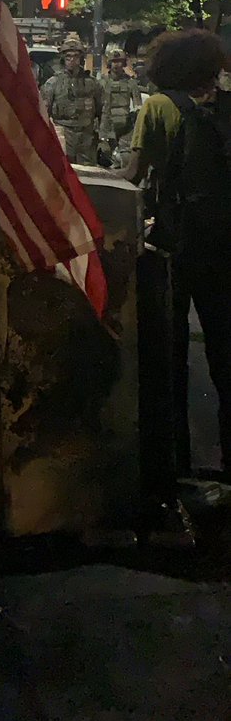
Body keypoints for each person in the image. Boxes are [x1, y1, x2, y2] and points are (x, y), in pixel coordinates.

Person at [125, 29, 231, 479]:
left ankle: (174, 465)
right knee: (225, 352)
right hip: (222, 243)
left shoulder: (158, 107)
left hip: (174, 244)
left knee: (169, 357)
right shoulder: (226, 106)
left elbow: (134, 173)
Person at [41, 33, 103, 165]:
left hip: (86, 136)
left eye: (76, 56)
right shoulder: (53, 83)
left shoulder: (92, 83)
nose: (72, 60)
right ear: (63, 58)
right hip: (63, 133)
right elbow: (44, 113)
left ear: (81, 58)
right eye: (68, 56)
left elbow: (102, 110)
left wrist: (104, 137)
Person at [99, 48, 143, 168]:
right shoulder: (101, 82)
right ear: (109, 63)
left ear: (123, 63)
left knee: (125, 158)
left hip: (125, 126)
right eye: (113, 61)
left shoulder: (130, 82)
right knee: (104, 157)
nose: (116, 65)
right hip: (106, 125)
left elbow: (138, 105)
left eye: (119, 61)